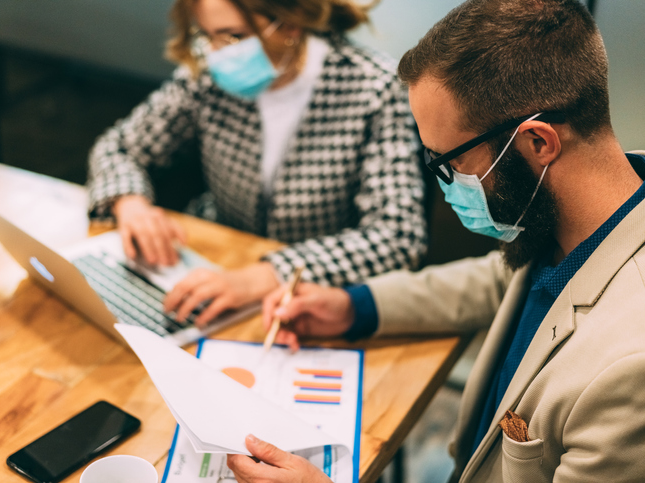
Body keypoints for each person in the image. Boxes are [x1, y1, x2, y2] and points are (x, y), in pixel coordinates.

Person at [226, 0, 645, 481]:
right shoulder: (594, 213)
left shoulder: (629, 371)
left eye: (448, 162)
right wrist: (351, 307)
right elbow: (498, 281)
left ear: (538, 143)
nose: (446, 185)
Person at [86, 0, 427, 326]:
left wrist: (269, 274)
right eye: (206, 34)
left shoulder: (375, 88)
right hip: (208, 263)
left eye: (233, 36)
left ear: (290, 24)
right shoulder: (208, 72)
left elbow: (398, 236)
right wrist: (130, 203)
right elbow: (118, 147)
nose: (217, 50)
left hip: (312, 294)